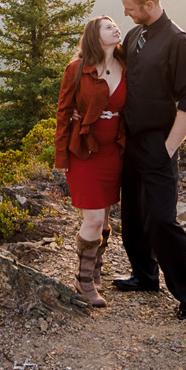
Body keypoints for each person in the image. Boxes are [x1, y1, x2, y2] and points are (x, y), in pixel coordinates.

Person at [113, 0, 186, 322]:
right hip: (131, 140)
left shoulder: (179, 43)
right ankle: (145, 275)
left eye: (130, 8)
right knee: (133, 215)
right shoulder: (136, 35)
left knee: (163, 221)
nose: (126, 15)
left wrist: (168, 148)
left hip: (158, 143)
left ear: (149, 5)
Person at [54, 15, 126, 307]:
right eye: (108, 27)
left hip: (114, 152)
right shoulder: (76, 70)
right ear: (95, 37)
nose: (116, 28)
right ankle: (83, 281)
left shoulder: (127, 66)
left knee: (105, 216)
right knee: (93, 218)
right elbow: (63, 112)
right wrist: (61, 157)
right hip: (83, 151)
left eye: (116, 25)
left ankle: (95, 270)